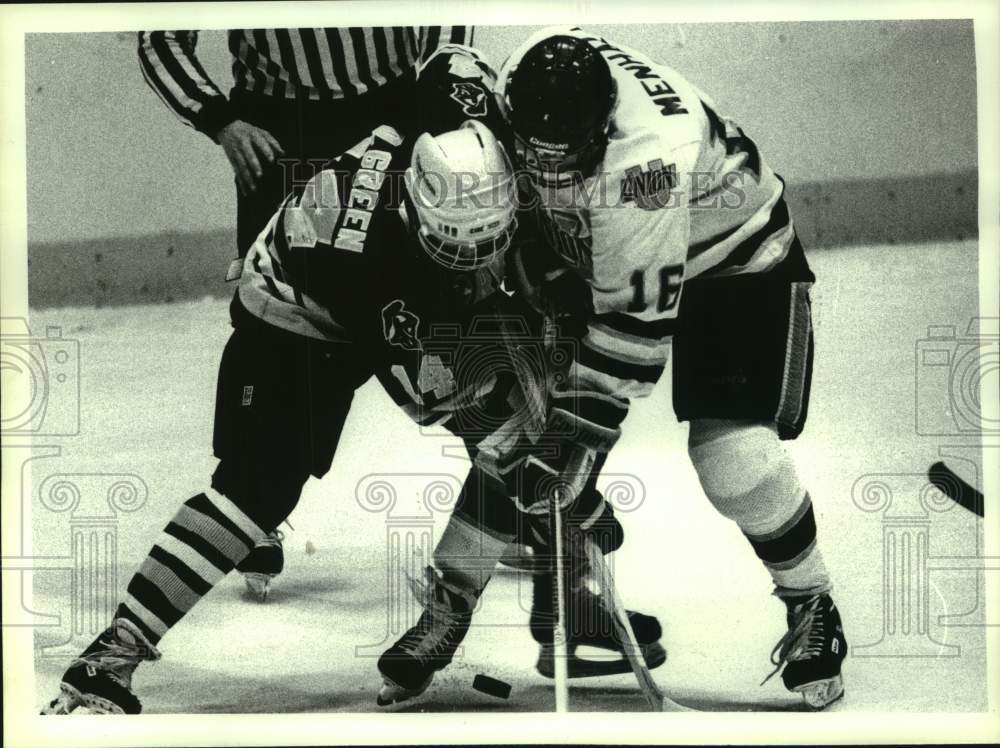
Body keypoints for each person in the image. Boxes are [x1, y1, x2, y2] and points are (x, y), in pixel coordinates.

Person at [492, 27, 848, 710]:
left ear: (601, 127)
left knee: (734, 460)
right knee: (533, 428)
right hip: (601, 254)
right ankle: (572, 613)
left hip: (735, 262)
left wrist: (576, 440)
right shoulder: (520, 83)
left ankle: (812, 603)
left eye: (567, 158)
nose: (549, 173)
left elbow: (636, 333)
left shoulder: (647, 160)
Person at [137, 26, 473, 598]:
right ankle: (249, 501)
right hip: (281, 131)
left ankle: (512, 485)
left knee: (444, 302)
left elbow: (445, 16)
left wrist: (433, 98)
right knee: (273, 314)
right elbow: (160, 38)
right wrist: (221, 120)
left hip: (395, 109)